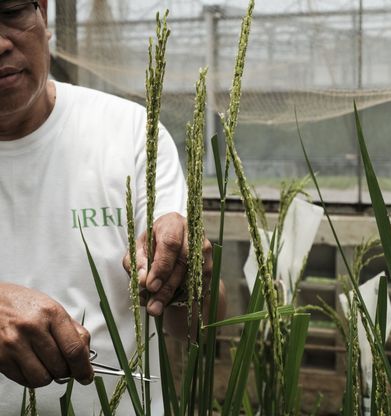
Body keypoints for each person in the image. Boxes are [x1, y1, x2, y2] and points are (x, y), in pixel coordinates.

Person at [0, 1, 225, 414]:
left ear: (44, 14)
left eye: (12, 10)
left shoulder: (129, 133)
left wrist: (191, 283)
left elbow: (198, 328)